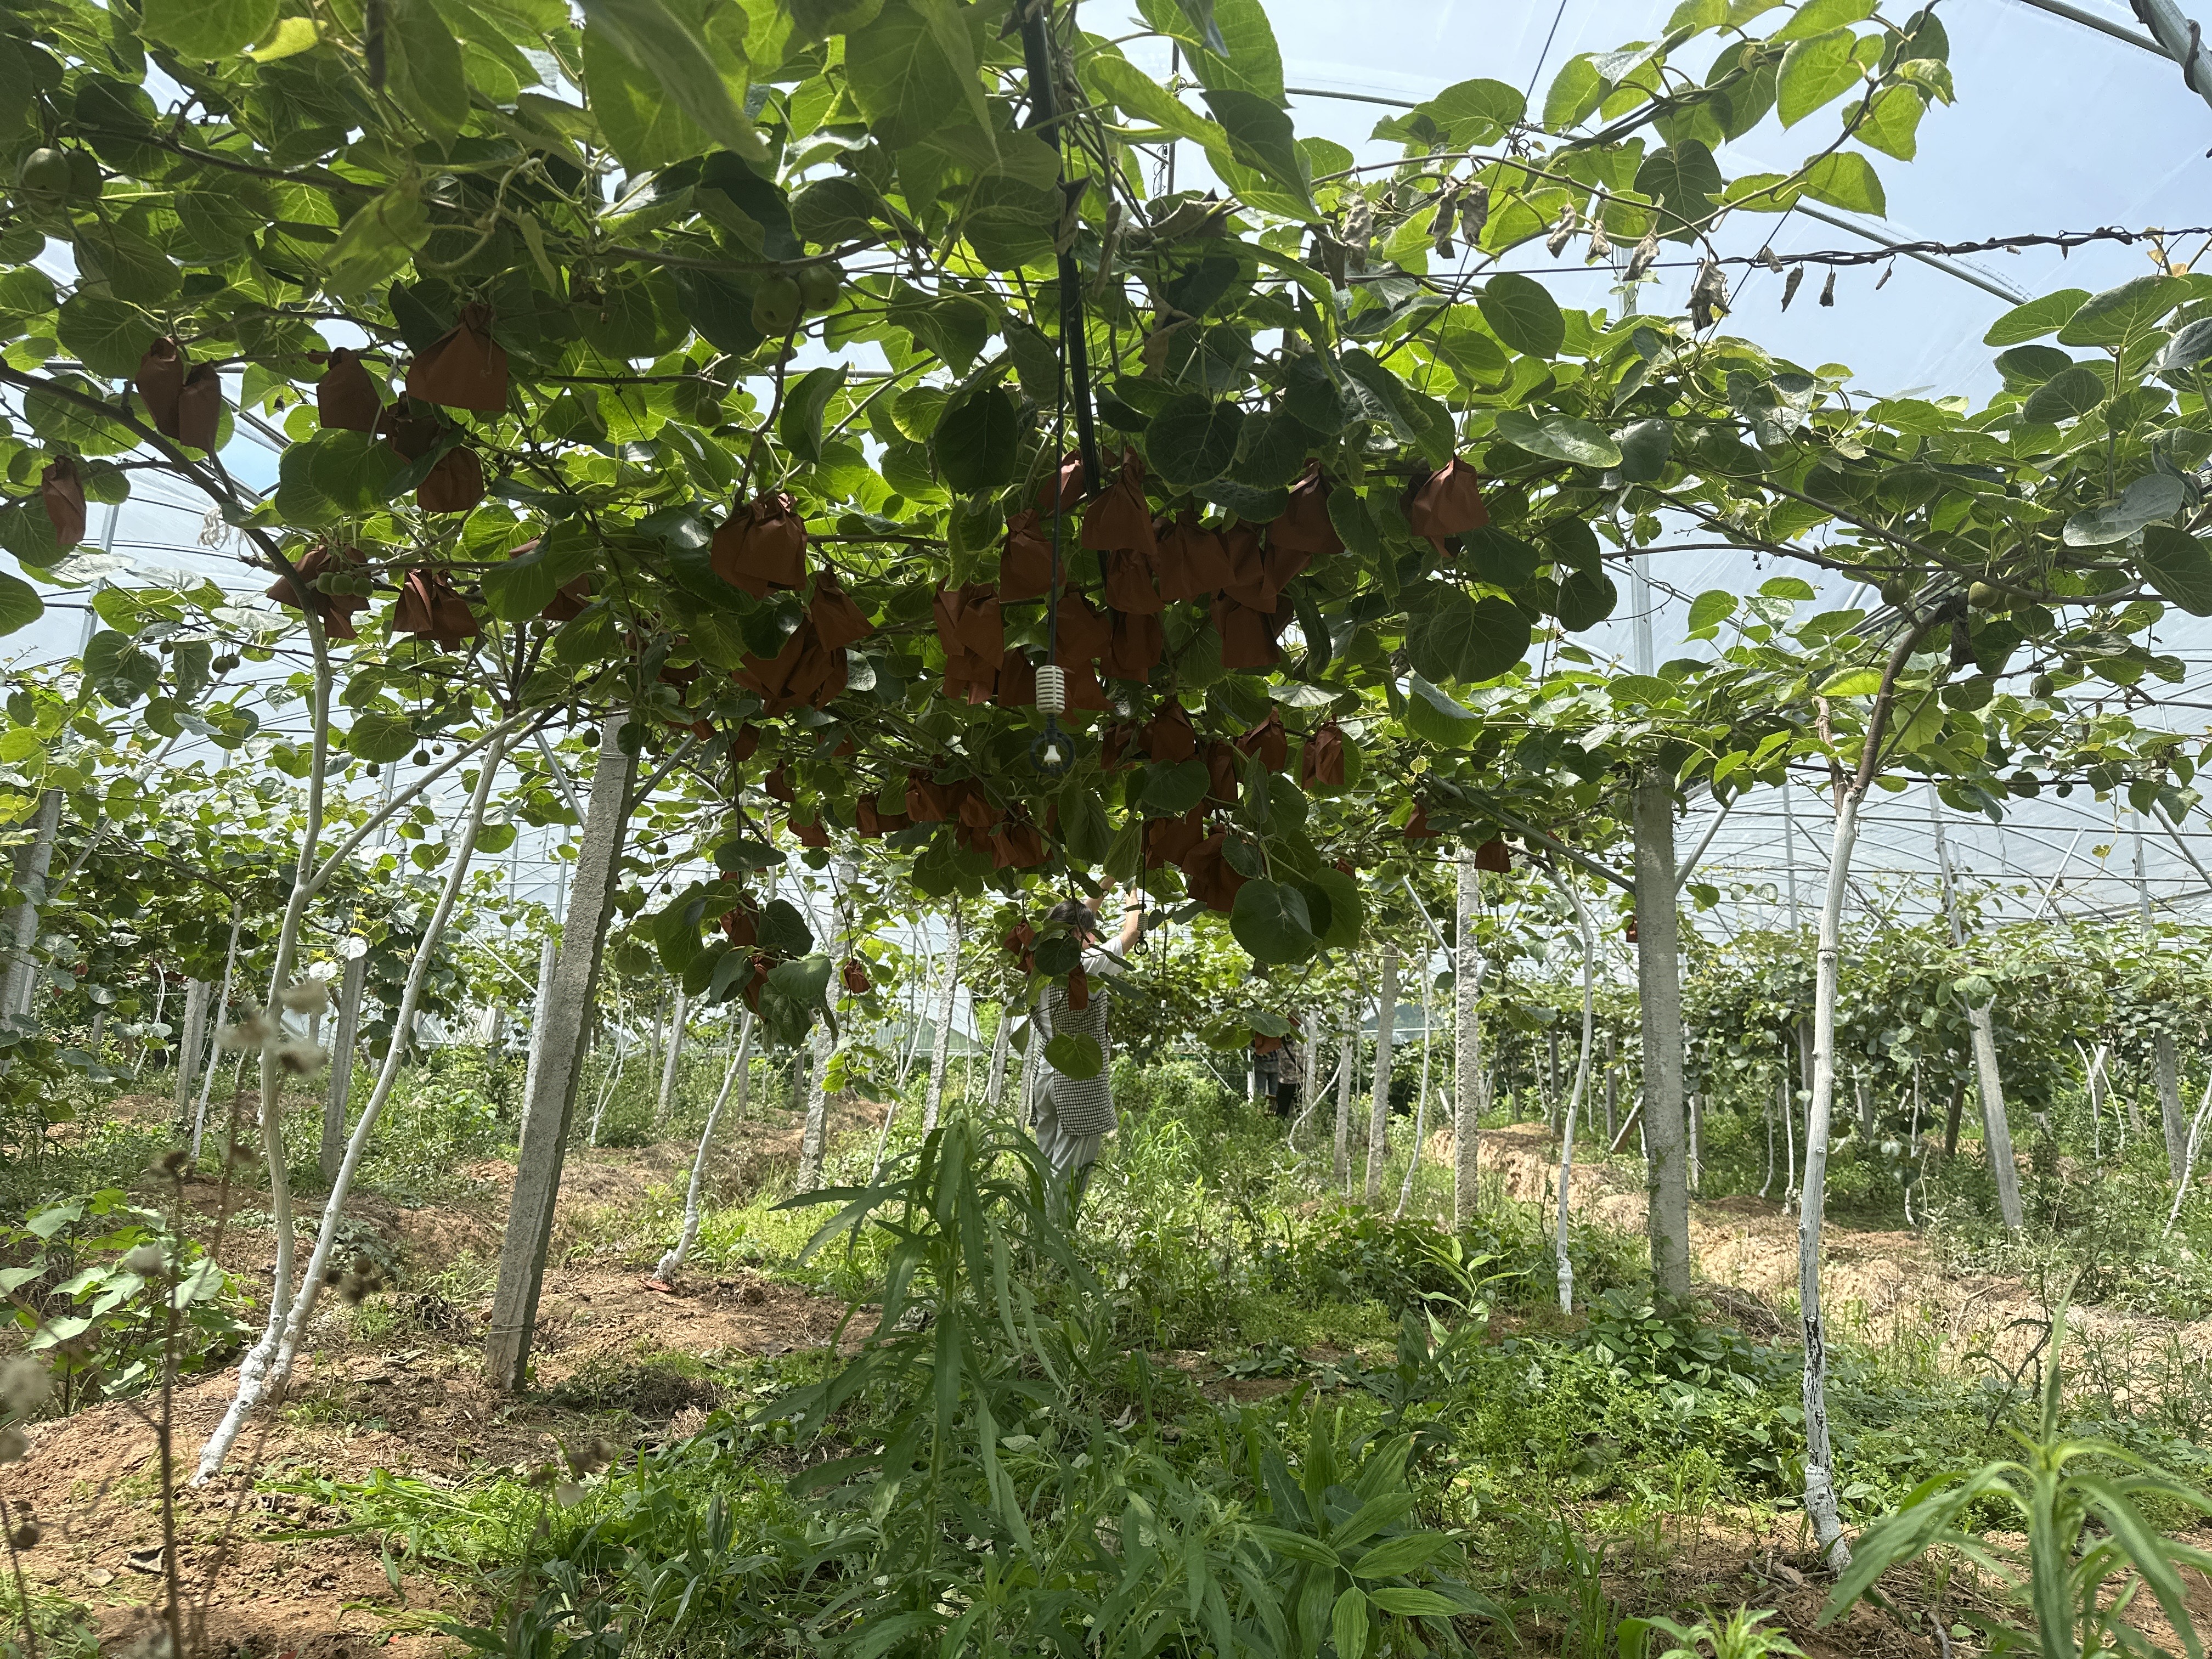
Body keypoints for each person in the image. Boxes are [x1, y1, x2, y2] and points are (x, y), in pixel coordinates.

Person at [1031, 882, 1144, 1222]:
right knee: (1068, 1171)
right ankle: (1054, 1247)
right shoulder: (1088, 964)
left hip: (1047, 1077)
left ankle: (1032, 1231)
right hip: (1077, 1084)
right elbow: (1133, 932)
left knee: (1045, 1162)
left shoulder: (1040, 962)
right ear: (1080, 936)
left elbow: (1078, 917)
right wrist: (1132, 890)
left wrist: (1105, 882)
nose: (1094, 938)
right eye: (1089, 933)